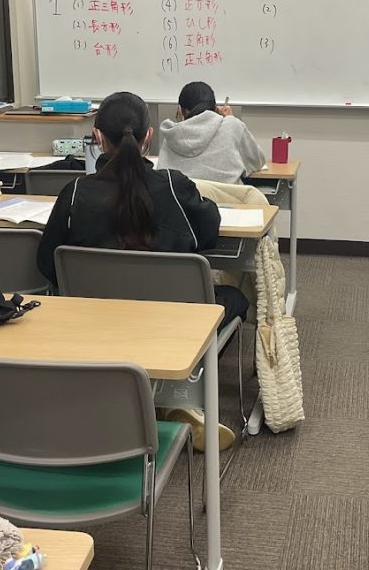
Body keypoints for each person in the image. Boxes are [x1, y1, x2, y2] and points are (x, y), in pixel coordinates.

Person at [36, 91, 244, 451]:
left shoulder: (75, 193)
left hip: (94, 322)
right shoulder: (174, 186)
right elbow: (208, 234)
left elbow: (47, 263)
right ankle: (177, 393)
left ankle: (127, 398)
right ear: (149, 136)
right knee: (235, 299)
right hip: (171, 323)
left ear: (97, 137)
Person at [156, 81, 265, 184]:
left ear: (180, 110)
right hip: (226, 198)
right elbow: (257, 162)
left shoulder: (172, 135)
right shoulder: (232, 126)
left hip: (181, 198)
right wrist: (231, 118)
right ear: (215, 108)